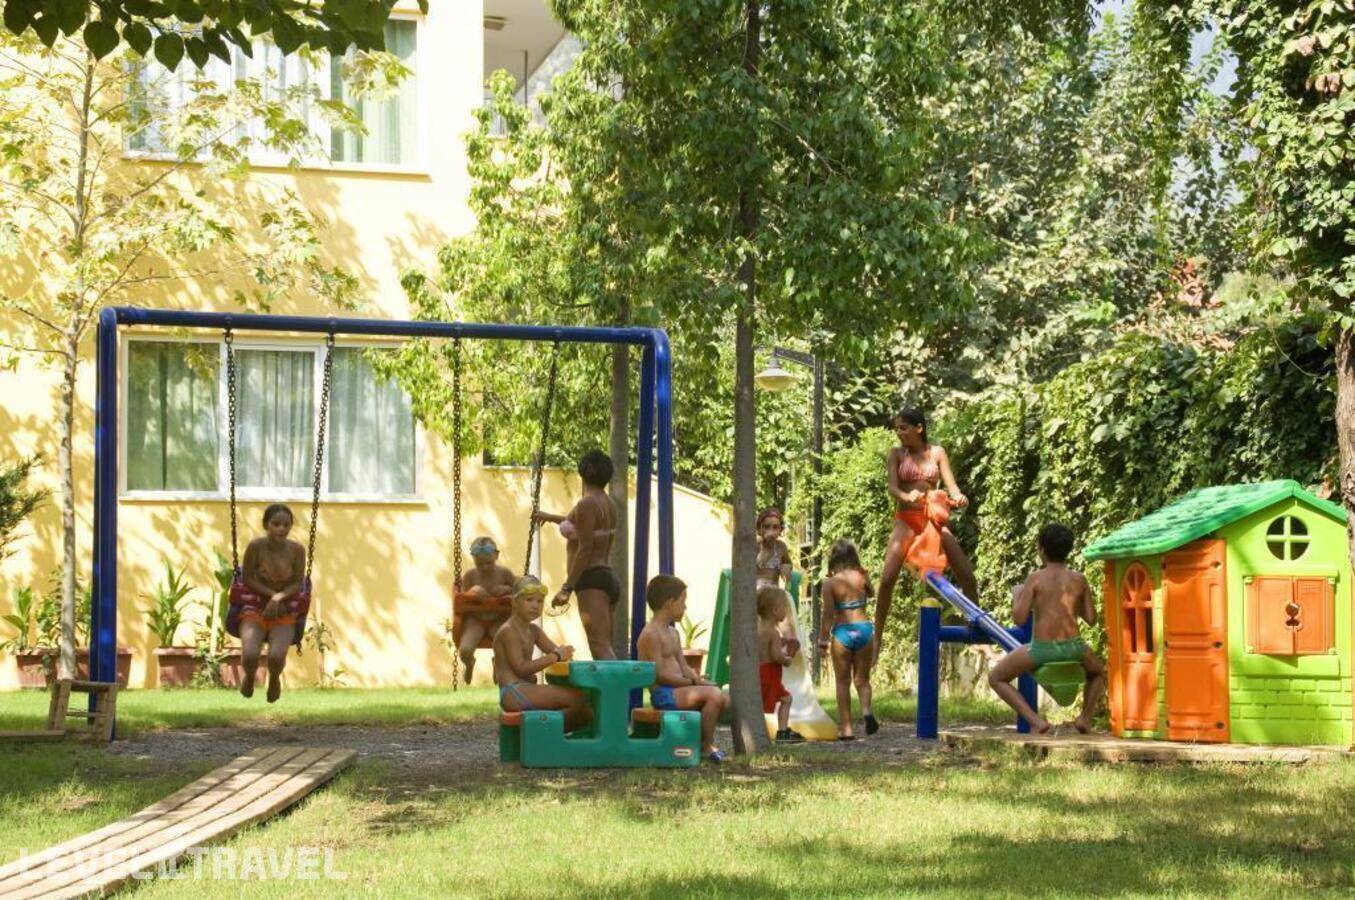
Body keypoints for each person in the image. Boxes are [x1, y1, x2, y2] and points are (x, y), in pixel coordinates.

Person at [873, 407, 976, 659]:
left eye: (903, 428)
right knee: (887, 578)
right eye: (897, 429)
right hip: (906, 520)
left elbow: (952, 488)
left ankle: (976, 631)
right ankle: (877, 638)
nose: (899, 433)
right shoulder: (897, 454)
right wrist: (907, 496)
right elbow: (892, 488)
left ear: (919, 428)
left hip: (932, 519)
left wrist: (959, 498)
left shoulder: (937, 453)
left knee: (966, 574)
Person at [987, 523, 1106, 734]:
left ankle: (1036, 721)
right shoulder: (1079, 580)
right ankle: (1085, 718)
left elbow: (1019, 619)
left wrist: (1018, 595)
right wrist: (1075, 601)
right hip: (1074, 649)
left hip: (1042, 650)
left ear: (1041, 550)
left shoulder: (1035, 578)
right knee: (1098, 673)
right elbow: (1091, 619)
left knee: (996, 678)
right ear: (1069, 550)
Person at [534, 450, 619, 660]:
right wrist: (550, 517)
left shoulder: (586, 504)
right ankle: (612, 683)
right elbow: (581, 525)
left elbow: (585, 548)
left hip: (591, 579)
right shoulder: (608, 503)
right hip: (607, 578)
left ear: (588, 469)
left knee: (600, 648)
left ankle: (617, 684)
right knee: (605, 646)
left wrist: (567, 588)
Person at [637, 574, 730, 763]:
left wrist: (700, 680)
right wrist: (693, 683)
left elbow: (684, 666)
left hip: (679, 690)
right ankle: (707, 746)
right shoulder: (651, 633)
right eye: (683, 601)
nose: (685, 607)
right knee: (714, 696)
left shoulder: (674, 633)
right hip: (664, 694)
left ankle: (697, 742)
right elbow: (659, 675)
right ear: (670, 603)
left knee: (724, 698)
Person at [492, 576, 592, 732]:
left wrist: (566, 654)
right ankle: (540, 734)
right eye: (529, 600)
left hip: (525, 689)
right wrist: (556, 656)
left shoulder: (534, 631)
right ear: (514, 602)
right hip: (513, 692)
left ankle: (545, 735)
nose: (535, 606)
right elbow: (521, 669)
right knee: (577, 701)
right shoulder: (508, 631)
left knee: (585, 707)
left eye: (540, 601)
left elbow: (555, 650)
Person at [238, 503, 305, 703]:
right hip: (255, 607)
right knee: (250, 655)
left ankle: (274, 678)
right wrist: (271, 596)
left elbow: (298, 583)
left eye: (286, 525)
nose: (281, 529)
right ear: (266, 525)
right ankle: (250, 676)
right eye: (276, 524)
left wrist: (279, 598)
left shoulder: (297, 550)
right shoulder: (255, 547)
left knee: (276, 657)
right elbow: (247, 578)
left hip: (284, 611)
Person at [816, 540, 878, 740]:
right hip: (864, 629)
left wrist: (823, 640)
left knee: (842, 682)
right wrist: (864, 577)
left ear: (833, 560)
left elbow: (827, 614)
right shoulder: (862, 576)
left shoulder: (830, 584)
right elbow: (872, 593)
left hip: (842, 632)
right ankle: (866, 710)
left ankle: (847, 729)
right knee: (862, 680)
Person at [456, 536, 515, 685]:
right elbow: (462, 598)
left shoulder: (505, 574)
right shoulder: (470, 576)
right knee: (465, 650)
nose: (484, 568)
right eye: (479, 564)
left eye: (489, 563)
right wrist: (472, 592)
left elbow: (519, 591)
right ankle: (469, 663)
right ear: (474, 560)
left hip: (499, 619)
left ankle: (498, 663)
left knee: (506, 647)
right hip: (476, 620)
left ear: (496, 556)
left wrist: (507, 590)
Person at [757, 586, 803, 743]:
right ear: (775, 610)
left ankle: (776, 731)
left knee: (764, 702)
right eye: (784, 607)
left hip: (759, 671)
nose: (786, 611)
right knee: (786, 699)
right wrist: (786, 659)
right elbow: (776, 656)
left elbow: (764, 650)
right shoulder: (774, 632)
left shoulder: (758, 630)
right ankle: (782, 732)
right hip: (770, 673)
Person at [755, 508, 793, 590]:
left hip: (774, 591)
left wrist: (786, 570)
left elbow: (788, 564)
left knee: (786, 596)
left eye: (775, 527)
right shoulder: (756, 545)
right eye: (766, 527)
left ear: (780, 529)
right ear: (759, 528)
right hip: (755, 591)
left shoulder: (781, 546)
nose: (771, 531)